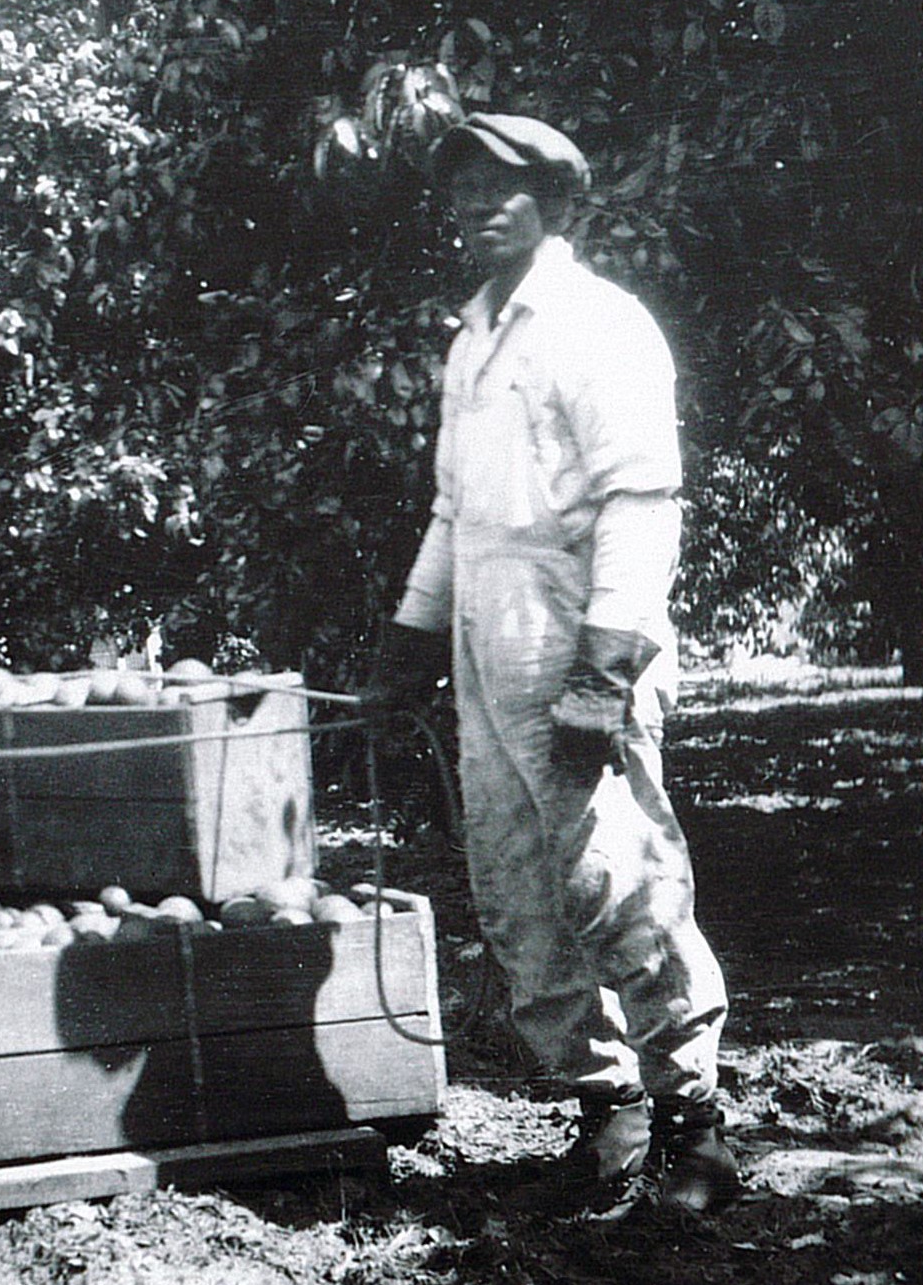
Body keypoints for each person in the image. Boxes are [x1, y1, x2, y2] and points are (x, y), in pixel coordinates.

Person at [368, 106, 740, 1220]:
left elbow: (642, 499)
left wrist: (606, 665)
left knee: (615, 876)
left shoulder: (598, 323)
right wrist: (409, 639)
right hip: (490, 638)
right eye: (460, 188)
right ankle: (606, 1115)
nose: (479, 205)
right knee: (520, 885)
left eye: (505, 187)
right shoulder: (474, 338)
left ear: (558, 201)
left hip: (576, 631)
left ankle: (696, 1131)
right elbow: (452, 511)